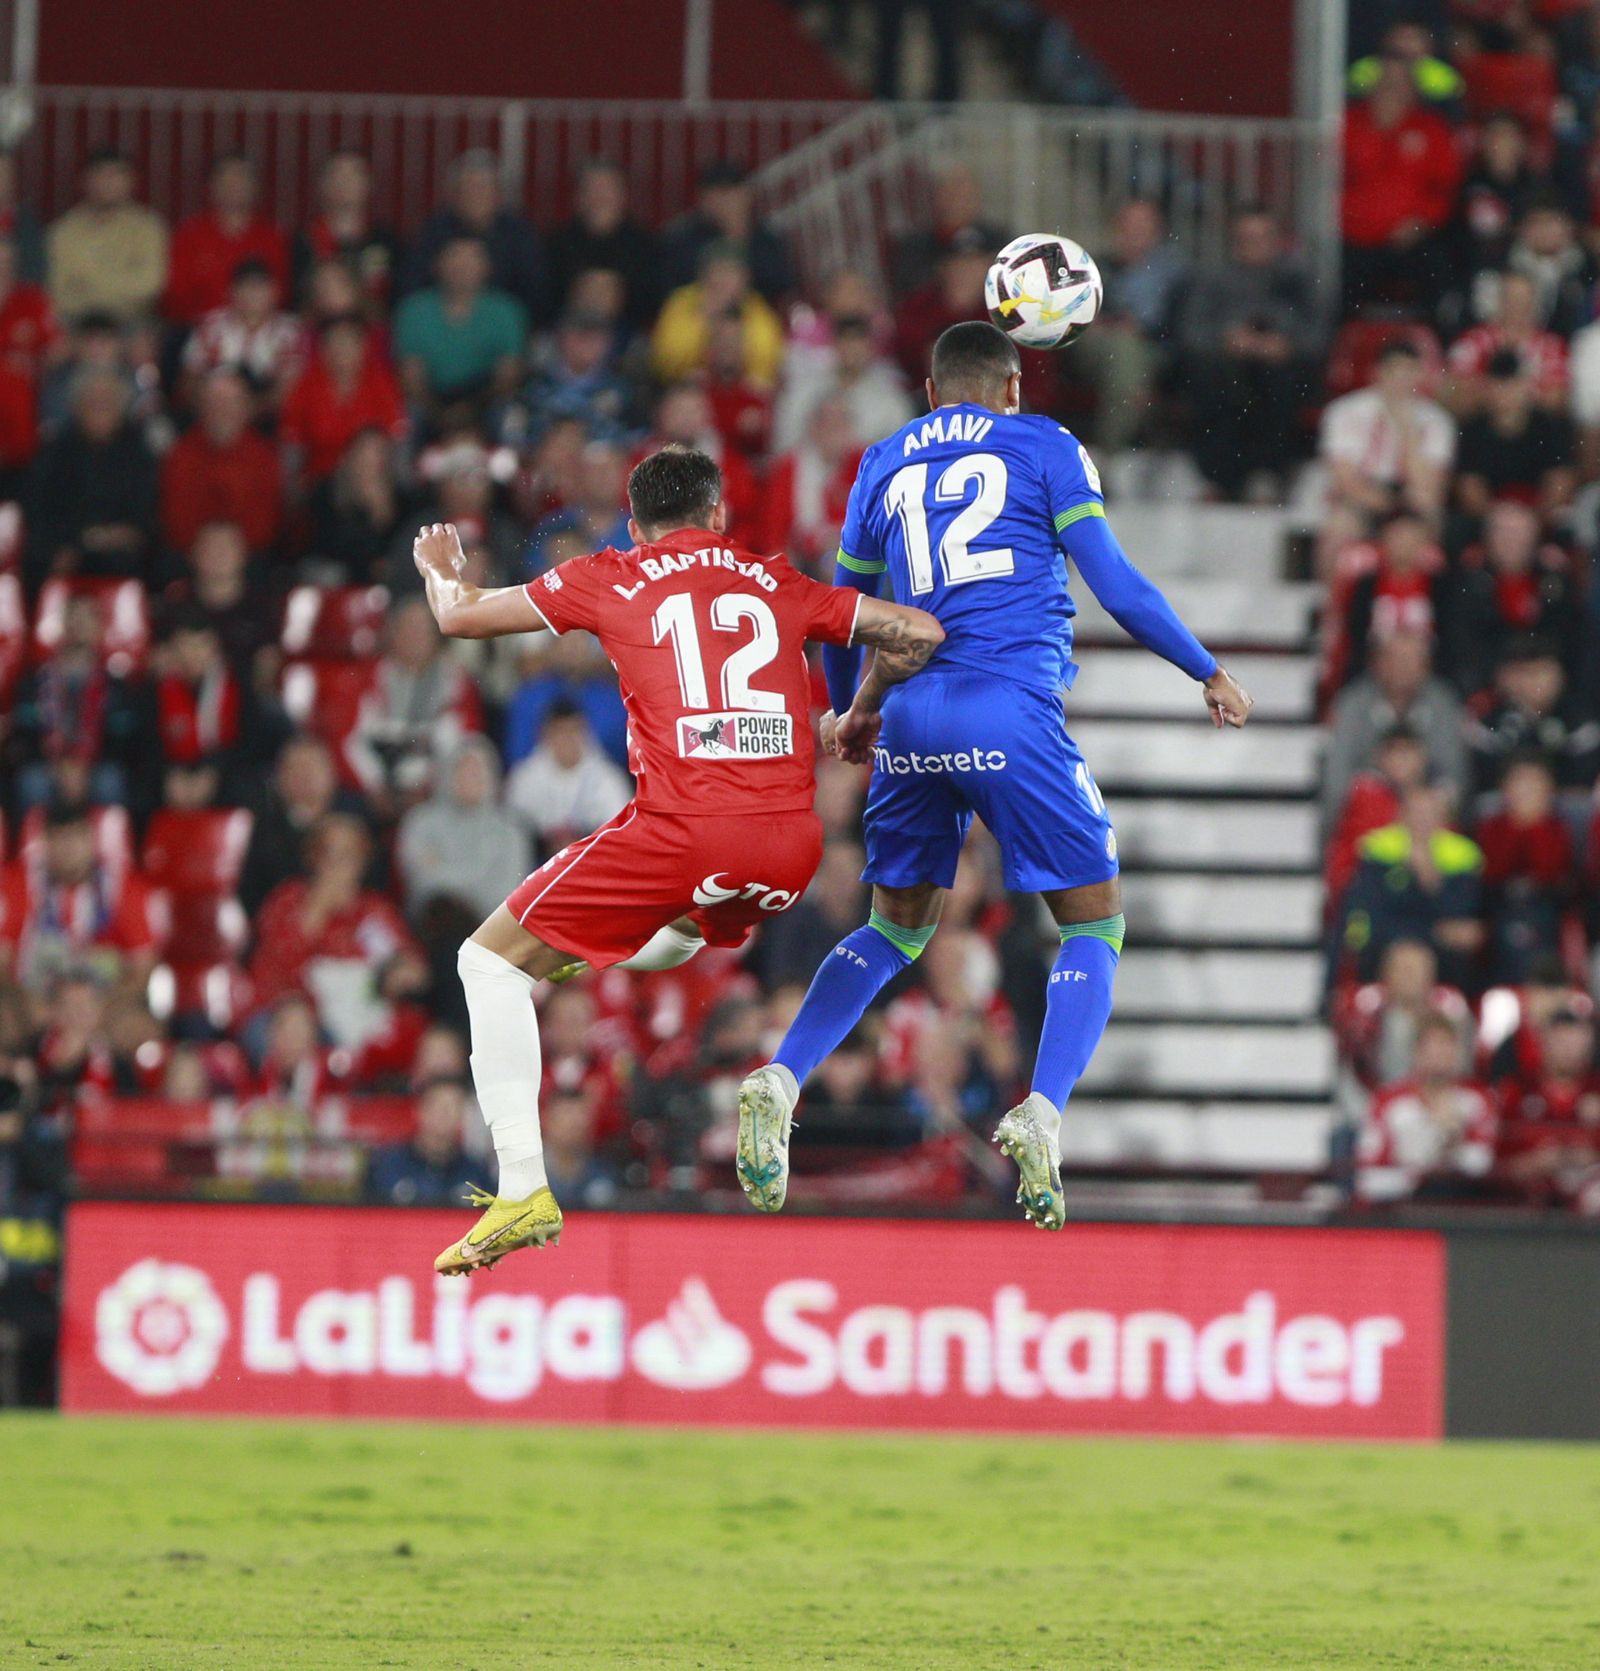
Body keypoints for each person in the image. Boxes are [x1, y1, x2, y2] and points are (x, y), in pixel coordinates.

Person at [738, 321, 1254, 1231]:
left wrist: (851, 712)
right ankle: (1042, 1110)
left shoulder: (882, 459)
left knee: (895, 930)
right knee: (1096, 922)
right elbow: (1117, 583)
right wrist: (1204, 667)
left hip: (908, 717)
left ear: (933, 394)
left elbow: (844, 609)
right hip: (1008, 710)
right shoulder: (1045, 443)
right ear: (1012, 389)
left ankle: (782, 1074)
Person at [408, 443, 945, 1272]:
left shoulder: (611, 573)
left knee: (486, 963)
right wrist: (858, 712)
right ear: (719, 516)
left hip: (684, 831)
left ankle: (521, 1189)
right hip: (792, 851)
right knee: (686, 922)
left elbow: (460, 616)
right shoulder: (777, 580)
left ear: (636, 525)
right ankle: (580, 952)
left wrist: (442, 569)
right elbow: (917, 631)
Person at [1318, 340, 1454, 529]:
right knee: (1339, 526)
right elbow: (1345, 479)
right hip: (1364, 493)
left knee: (1430, 510)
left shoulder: (1437, 420)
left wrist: (1408, 429)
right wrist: (1390, 506)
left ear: (1420, 374)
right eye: (1394, 371)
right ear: (1377, 372)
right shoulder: (1345, 411)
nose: (1401, 380)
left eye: (1409, 371)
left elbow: (1429, 485)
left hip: (1408, 498)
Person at [45, 149, 168, 326]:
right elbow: (57, 293)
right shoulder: (62, 232)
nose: (107, 183)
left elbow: (151, 284)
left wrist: (87, 285)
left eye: (116, 175)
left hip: (133, 322)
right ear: (84, 181)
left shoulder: (149, 228)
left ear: (131, 181)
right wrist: (119, 286)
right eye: (100, 175)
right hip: (78, 323)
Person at [164, 154, 289, 328]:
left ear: (256, 187)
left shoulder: (272, 236)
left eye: (241, 180)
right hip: (197, 329)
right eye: (226, 181)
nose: (234, 187)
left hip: (262, 330)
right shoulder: (190, 234)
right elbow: (175, 295)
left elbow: (281, 292)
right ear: (210, 187)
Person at [367, 1076, 479, 1207]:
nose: (446, 1113)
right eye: (439, 1106)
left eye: (454, 1106)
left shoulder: (476, 1172)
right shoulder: (387, 1166)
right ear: (420, 1110)